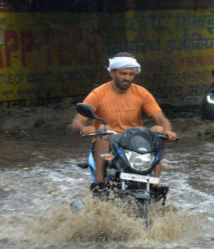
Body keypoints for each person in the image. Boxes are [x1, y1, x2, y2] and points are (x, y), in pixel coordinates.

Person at [70, 52, 177, 188]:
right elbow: (76, 123)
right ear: (112, 73)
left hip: (135, 143)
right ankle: (100, 182)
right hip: (108, 143)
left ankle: (155, 182)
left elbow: (161, 119)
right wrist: (86, 129)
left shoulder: (142, 93)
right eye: (123, 73)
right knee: (105, 130)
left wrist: (168, 131)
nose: (127, 78)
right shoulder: (98, 94)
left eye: (131, 74)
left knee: (159, 130)